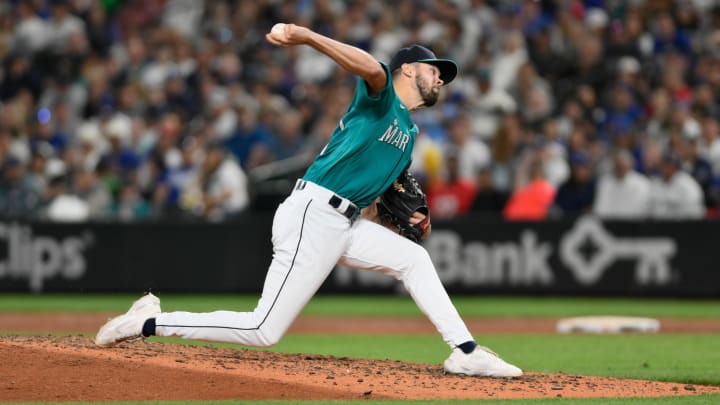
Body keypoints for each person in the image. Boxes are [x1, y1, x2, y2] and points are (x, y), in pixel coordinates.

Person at [95, 23, 522, 378]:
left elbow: (373, 202)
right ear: (408, 69)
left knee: (414, 259)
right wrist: (305, 35)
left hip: (346, 221)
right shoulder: (381, 99)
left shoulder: (408, 136)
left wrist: (397, 222)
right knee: (264, 329)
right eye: (434, 70)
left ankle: (464, 350)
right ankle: (149, 322)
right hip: (312, 214)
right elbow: (373, 67)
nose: (441, 79)